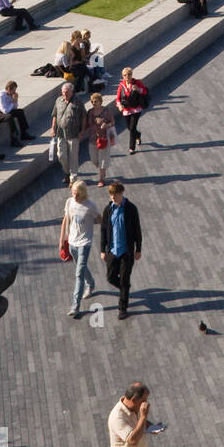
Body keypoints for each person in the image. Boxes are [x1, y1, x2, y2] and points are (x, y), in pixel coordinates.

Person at [100, 182, 142, 321]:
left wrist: (138, 249)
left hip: (126, 251)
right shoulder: (108, 210)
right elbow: (104, 230)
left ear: (121, 193)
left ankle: (122, 308)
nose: (112, 197)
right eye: (111, 194)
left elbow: (137, 230)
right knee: (111, 277)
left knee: (124, 280)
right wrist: (103, 249)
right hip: (112, 250)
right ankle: (125, 289)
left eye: (115, 194)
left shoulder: (131, 209)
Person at [60, 180, 102, 318]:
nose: (74, 196)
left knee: (79, 274)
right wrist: (62, 239)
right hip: (72, 241)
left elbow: (100, 219)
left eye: (76, 194)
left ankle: (75, 306)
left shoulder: (90, 206)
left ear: (83, 193)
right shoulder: (70, 202)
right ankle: (91, 283)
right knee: (80, 267)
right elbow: (66, 220)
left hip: (85, 243)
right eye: (73, 193)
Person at [52, 82, 86, 186]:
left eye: (67, 92)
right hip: (60, 132)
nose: (65, 94)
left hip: (74, 133)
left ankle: (73, 179)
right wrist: (53, 128)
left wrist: (82, 131)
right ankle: (67, 172)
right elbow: (54, 115)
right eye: (63, 92)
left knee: (73, 156)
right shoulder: (58, 100)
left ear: (72, 92)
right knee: (61, 155)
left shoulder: (78, 101)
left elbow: (84, 116)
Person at [0, 81, 34, 146]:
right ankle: (13, 139)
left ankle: (23, 134)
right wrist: (12, 102)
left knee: (20, 112)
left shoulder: (10, 94)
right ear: (8, 89)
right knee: (9, 117)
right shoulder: (0, 97)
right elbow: (5, 111)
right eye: (13, 90)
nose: (15, 92)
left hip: (1, 112)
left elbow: (14, 107)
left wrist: (15, 100)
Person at [115, 68, 149, 154]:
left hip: (136, 108)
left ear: (131, 75)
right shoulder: (121, 85)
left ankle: (132, 148)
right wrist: (119, 105)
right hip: (126, 109)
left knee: (133, 127)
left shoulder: (137, 83)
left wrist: (138, 89)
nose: (127, 76)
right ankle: (138, 135)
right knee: (129, 128)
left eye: (129, 74)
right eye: (125, 75)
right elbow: (118, 98)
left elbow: (145, 92)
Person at [85, 92, 116, 187]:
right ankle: (102, 171)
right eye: (92, 101)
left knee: (103, 159)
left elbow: (113, 122)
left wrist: (106, 125)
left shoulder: (106, 111)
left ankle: (101, 178)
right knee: (94, 160)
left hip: (103, 138)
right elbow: (86, 123)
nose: (94, 103)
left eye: (96, 101)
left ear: (100, 102)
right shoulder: (90, 112)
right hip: (92, 138)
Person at [108, 383, 151, 447]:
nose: (146, 403)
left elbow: (138, 421)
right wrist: (143, 417)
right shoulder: (117, 418)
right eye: (144, 400)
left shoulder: (135, 407)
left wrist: (152, 426)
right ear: (133, 400)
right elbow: (133, 440)